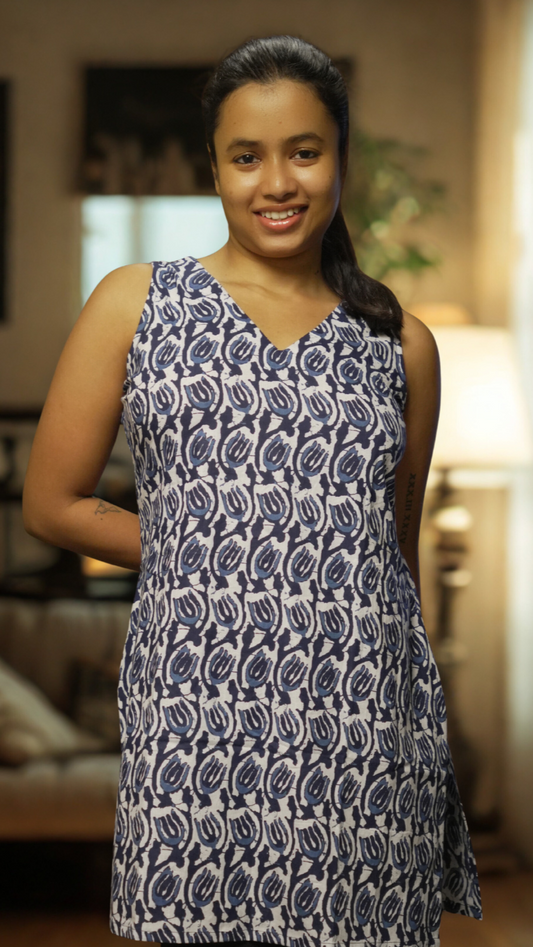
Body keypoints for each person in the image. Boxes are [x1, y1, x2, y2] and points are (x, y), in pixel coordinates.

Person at [23, 34, 482, 947]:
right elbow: (54, 503)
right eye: (248, 156)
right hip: (198, 711)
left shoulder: (400, 344)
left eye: (303, 152)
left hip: (364, 723)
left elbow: (386, 554)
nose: (277, 182)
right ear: (216, 168)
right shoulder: (135, 302)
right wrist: (215, 549)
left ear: (338, 158)